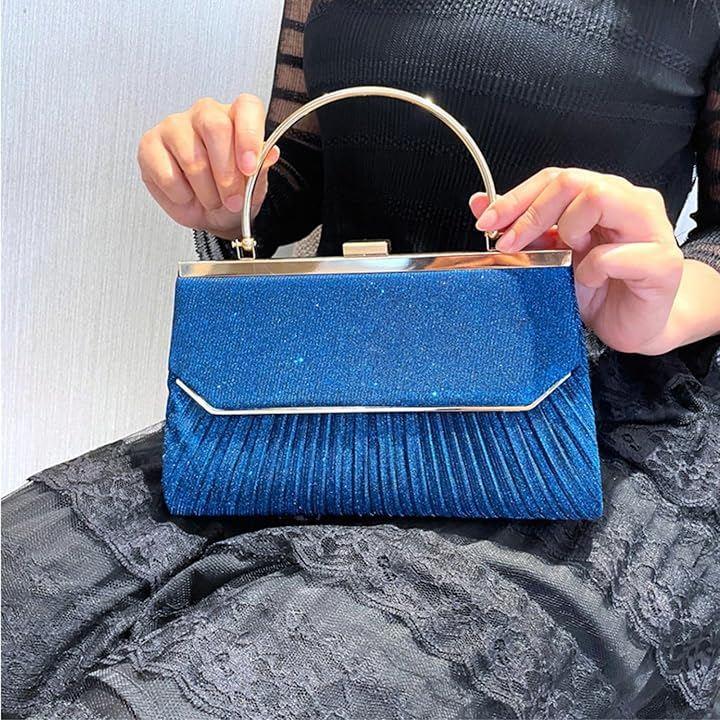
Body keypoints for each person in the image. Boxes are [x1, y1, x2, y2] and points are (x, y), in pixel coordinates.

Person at [3, 1, 719, 718]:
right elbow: (302, 166)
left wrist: (669, 299)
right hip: (310, 379)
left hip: (577, 402)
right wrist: (228, 191)